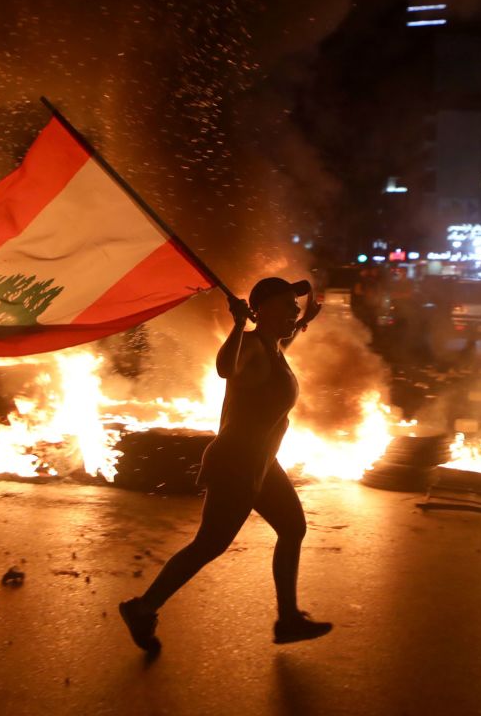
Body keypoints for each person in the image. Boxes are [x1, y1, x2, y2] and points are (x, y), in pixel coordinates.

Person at [118, 277, 333, 653]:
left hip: (261, 463)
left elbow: (283, 334)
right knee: (209, 544)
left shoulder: (273, 346)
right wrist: (237, 324)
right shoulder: (250, 345)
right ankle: (143, 608)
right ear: (261, 309)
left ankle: (287, 619)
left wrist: (303, 322)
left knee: (292, 528)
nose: (294, 313)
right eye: (288, 306)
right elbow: (223, 368)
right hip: (236, 462)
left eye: (295, 309)